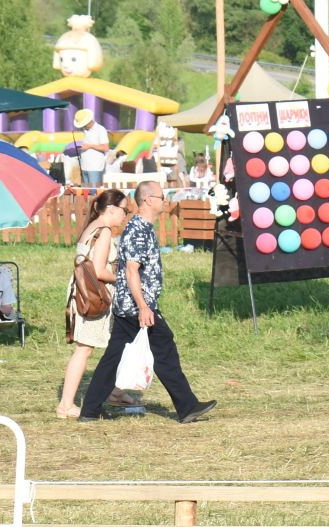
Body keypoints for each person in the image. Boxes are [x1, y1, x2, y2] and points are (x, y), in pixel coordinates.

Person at [76, 181, 217, 424]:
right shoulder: (138, 230)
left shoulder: (141, 228)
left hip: (129, 306)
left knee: (114, 358)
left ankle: (90, 410)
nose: (165, 201)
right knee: (164, 349)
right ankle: (187, 406)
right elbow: (131, 271)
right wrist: (143, 307)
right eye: (162, 197)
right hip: (136, 307)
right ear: (149, 200)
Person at [57, 190, 139, 418]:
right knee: (84, 349)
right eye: (124, 210)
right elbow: (100, 271)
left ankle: (114, 391)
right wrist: (124, 277)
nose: (125, 215)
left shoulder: (91, 227)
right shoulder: (104, 232)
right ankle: (66, 405)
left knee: (111, 345)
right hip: (94, 296)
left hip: (82, 293)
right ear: (111, 209)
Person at [74, 108, 110, 187]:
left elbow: (105, 147)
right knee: (85, 192)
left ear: (88, 122)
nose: (82, 127)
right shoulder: (85, 131)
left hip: (94, 167)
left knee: (93, 191)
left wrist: (90, 146)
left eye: (83, 125)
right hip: (84, 166)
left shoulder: (100, 130)